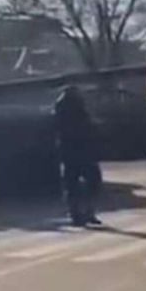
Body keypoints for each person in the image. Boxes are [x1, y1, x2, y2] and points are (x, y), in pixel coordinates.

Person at [53, 86, 103, 226]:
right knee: (88, 182)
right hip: (78, 150)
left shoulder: (64, 107)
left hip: (72, 151)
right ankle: (83, 212)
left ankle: (80, 213)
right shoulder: (70, 108)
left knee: (74, 184)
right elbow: (83, 128)